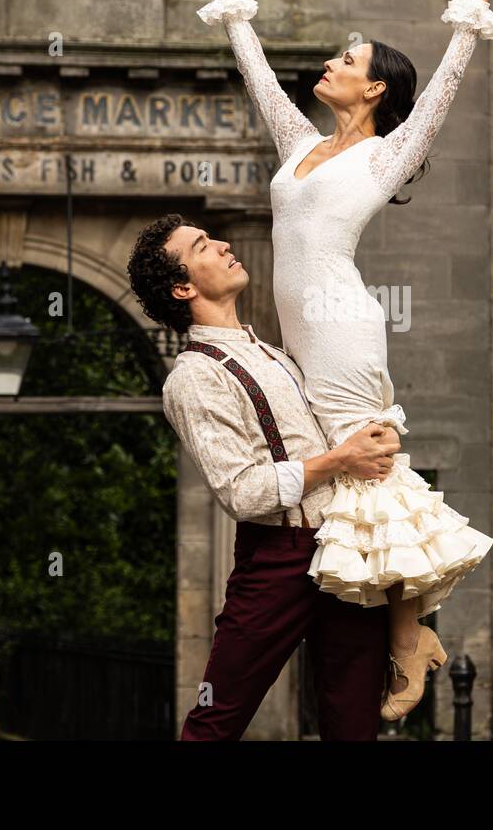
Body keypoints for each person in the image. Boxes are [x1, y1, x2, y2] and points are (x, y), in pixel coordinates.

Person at [193, 0, 493, 720]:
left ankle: (406, 635)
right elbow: (259, 80)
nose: (329, 64)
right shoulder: (301, 145)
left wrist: (476, 5)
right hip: (308, 330)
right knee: (360, 467)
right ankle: (407, 631)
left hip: (339, 324)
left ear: (375, 89)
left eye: (346, 59)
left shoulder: (384, 151)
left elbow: (438, 98)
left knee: (364, 467)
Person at [129, 215, 403, 739]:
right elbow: (243, 491)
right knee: (218, 719)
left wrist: (373, 436)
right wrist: (340, 459)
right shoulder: (193, 378)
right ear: (183, 287)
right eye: (203, 245)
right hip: (277, 557)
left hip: (342, 545)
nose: (224, 244)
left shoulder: (274, 353)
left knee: (354, 723)